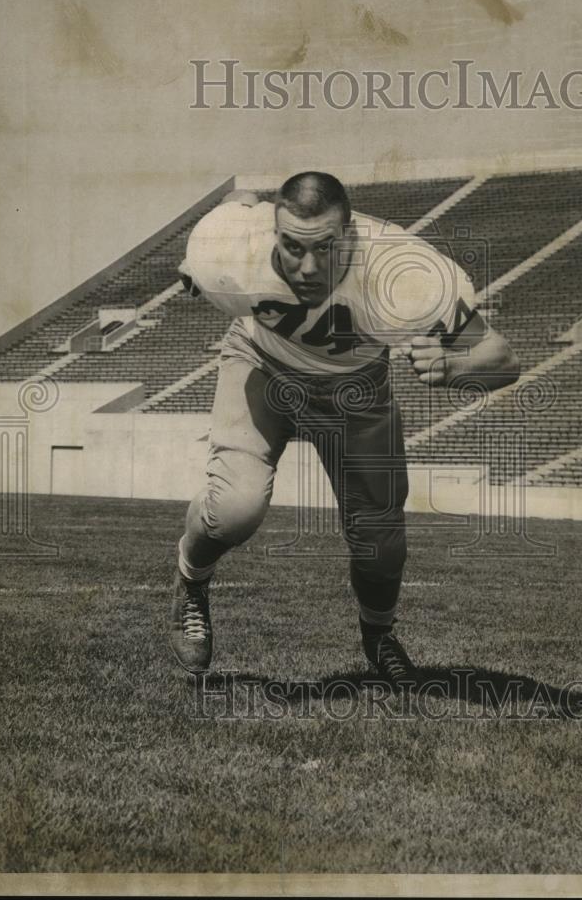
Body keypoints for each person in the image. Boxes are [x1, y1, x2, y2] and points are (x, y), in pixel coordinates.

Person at [173, 171, 519, 684]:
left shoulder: (404, 272)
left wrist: (454, 368)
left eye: (326, 247)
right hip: (262, 365)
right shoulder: (226, 249)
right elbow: (234, 206)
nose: (308, 267)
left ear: (352, 234)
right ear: (273, 232)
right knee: (234, 508)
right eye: (292, 246)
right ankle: (190, 583)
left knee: (381, 543)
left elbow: (503, 358)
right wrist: (202, 262)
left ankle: (378, 635)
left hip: (354, 391)